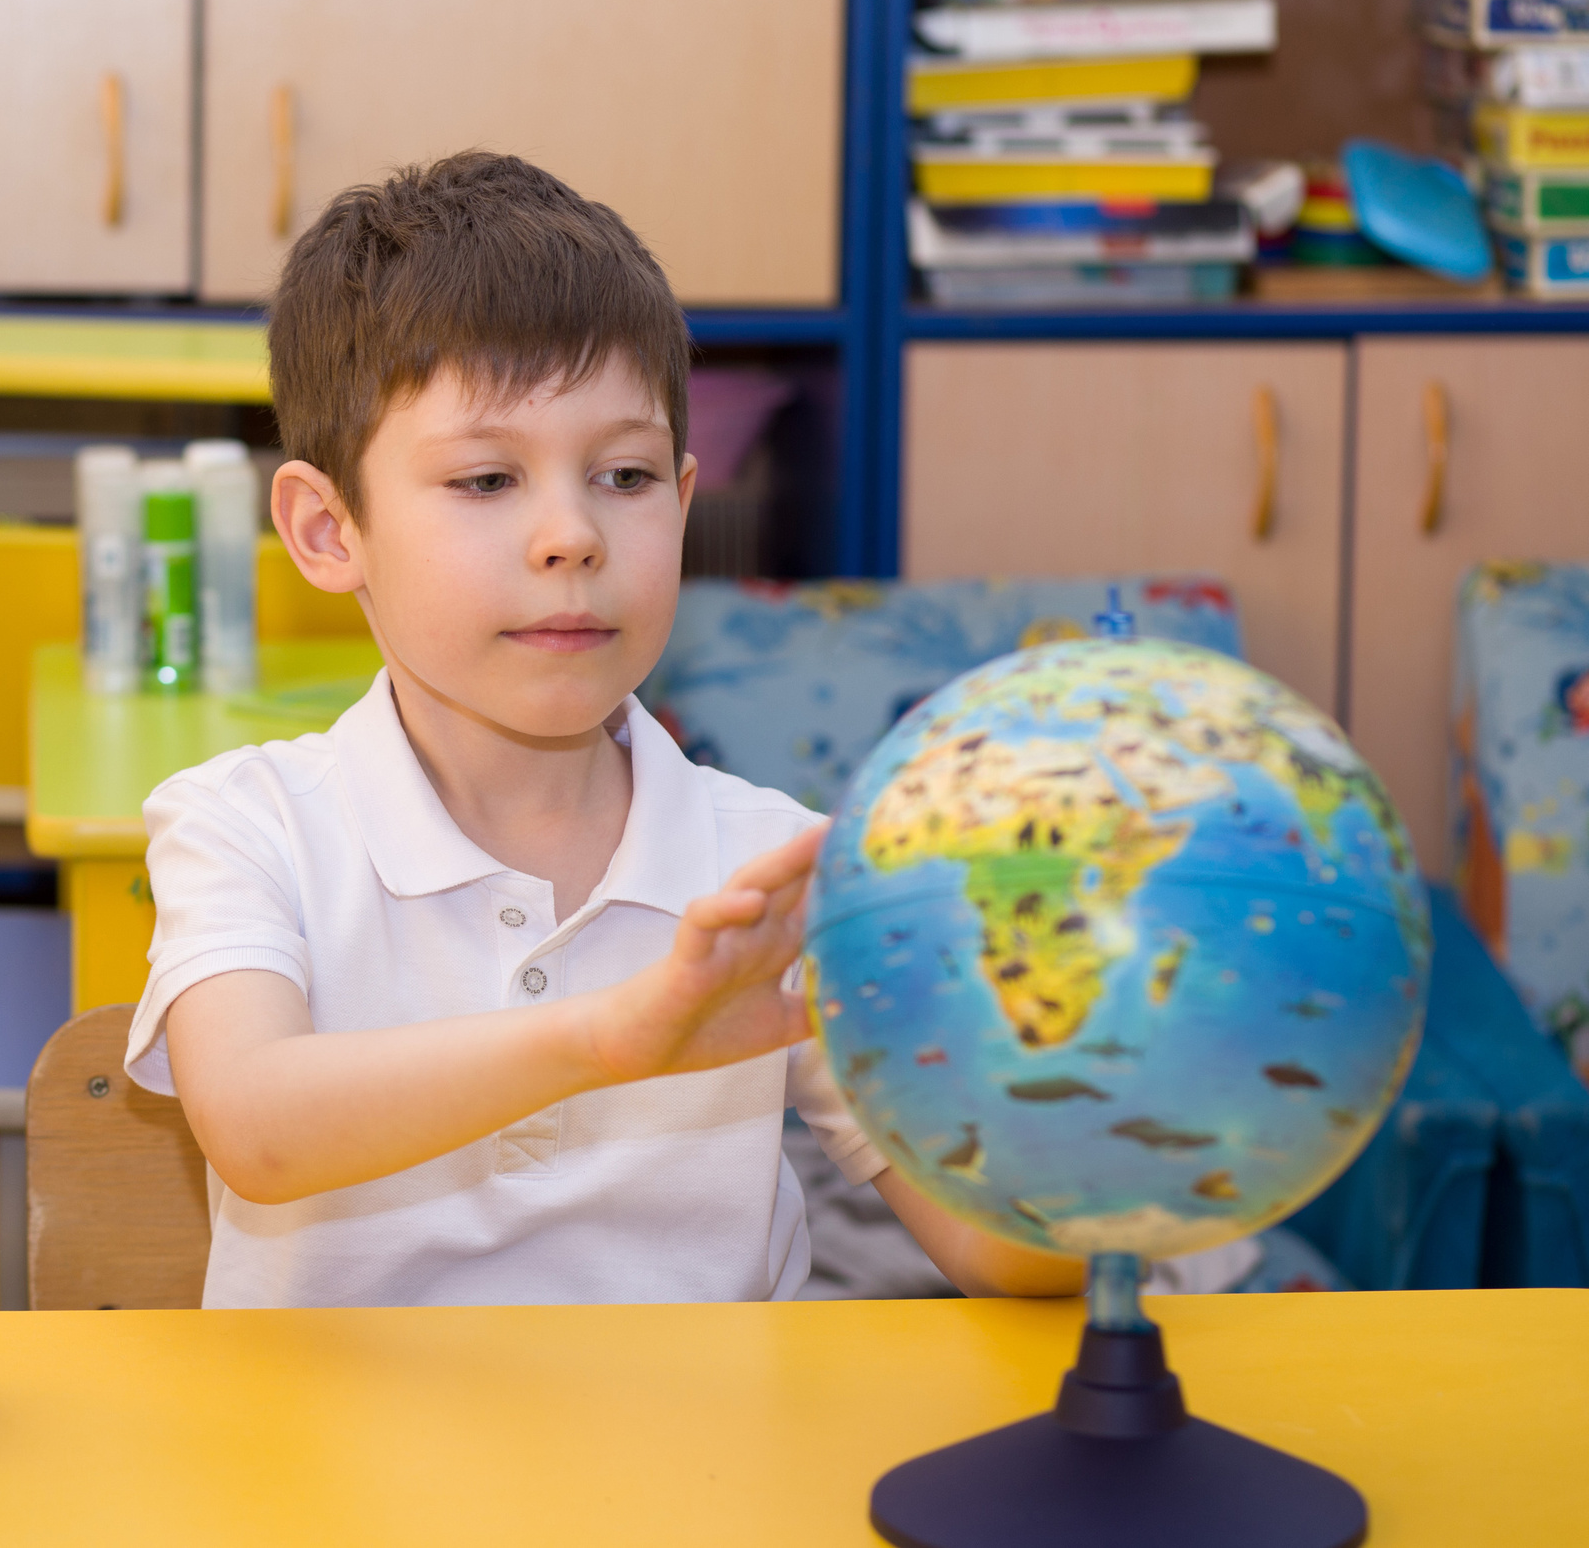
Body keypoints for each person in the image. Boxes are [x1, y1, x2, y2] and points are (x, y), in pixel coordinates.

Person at [125, 151, 1085, 1308]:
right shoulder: (246, 823)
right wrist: (612, 1037)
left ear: (683, 508)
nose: (570, 536)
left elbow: (1003, 1255)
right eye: (486, 481)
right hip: (333, 1480)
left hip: (699, 1475)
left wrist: (1076, 1047)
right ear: (330, 533)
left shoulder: (774, 873)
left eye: (623, 475)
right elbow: (257, 1126)